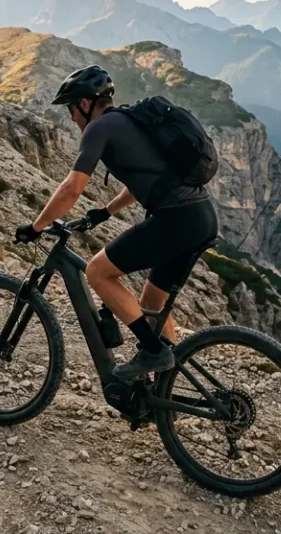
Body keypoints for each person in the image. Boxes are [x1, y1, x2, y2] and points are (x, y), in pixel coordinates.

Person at [15, 65, 218, 378]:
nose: (71, 118)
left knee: (98, 272)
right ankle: (162, 394)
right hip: (200, 216)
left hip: (177, 220)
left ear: (85, 104)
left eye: (71, 109)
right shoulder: (129, 120)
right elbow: (149, 180)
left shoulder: (99, 128)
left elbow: (72, 188)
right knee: (152, 304)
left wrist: (36, 226)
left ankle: (153, 352)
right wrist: (106, 211)